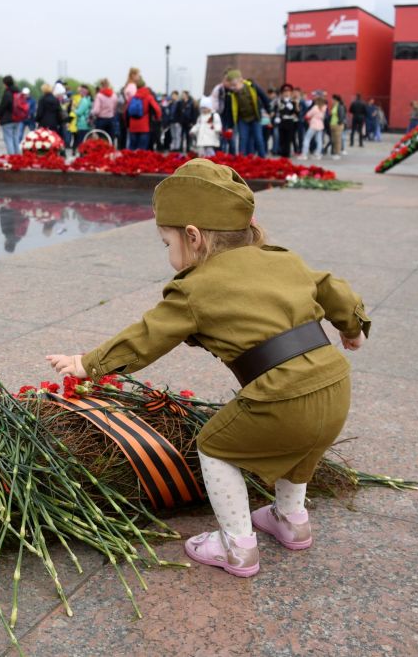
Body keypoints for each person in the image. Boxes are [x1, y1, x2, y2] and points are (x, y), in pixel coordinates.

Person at [46, 158, 369, 578]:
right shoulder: (283, 258)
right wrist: (353, 328)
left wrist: (88, 363)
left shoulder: (195, 288)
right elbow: (331, 287)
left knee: (215, 445)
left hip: (281, 395)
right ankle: (291, 520)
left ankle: (237, 545)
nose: (168, 251)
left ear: (193, 236)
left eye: (167, 242)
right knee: (300, 444)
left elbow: (150, 334)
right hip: (335, 385)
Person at [223, 70, 269, 157]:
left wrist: (269, 110)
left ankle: (263, 158)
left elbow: (264, 97)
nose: (234, 87)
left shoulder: (252, 86)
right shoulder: (231, 94)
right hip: (242, 119)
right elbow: (229, 111)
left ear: (241, 80)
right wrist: (230, 126)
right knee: (243, 139)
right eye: (231, 86)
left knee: (258, 138)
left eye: (235, 85)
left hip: (255, 117)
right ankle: (242, 158)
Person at [125, 78, 161, 150]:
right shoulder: (148, 97)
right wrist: (157, 118)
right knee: (142, 152)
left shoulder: (132, 97)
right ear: (144, 85)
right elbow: (157, 109)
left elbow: (126, 112)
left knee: (131, 150)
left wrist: (127, 125)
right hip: (144, 127)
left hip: (133, 126)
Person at [271, 84, 299, 159]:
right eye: (285, 91)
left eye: (288, 91)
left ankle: (287, 153)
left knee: (289, 138)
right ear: (282, 93)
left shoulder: (293, 102)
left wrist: (296, 106)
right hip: (281, 121)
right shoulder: (279, 101)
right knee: (281, 138)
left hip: (290, 122)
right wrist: (275, 119)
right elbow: (275, 110)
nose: (286, 93)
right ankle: (282, 153)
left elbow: (297, 113)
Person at [0, 75, 21, 154]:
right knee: (16, 139)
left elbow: (3, 106)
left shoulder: (7, 93)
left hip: (8, 120)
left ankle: (12, 157)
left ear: (5, 83)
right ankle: (18, 157)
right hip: (17, 119)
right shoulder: (18, 92)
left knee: (9, 139)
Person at [71, 85, 93, 152]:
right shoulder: (88, 99)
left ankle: (82, 155)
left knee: (81, 142)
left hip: (82, 124)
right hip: (87, 123)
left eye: (80, 91)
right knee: (85, 141)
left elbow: (80, 112)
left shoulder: (83, 100)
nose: (79, 92)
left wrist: (74, 109)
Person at [327, 94, 346, 159]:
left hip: (337, 125)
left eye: (332, 99)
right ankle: (334, 152)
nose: (331, 100)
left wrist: (338, 123)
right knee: (333, 140)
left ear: (335, 99)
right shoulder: (334, 106)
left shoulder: (340, 106)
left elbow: (341, 116)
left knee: (337, 140)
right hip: (332, 125)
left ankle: (337, 154)